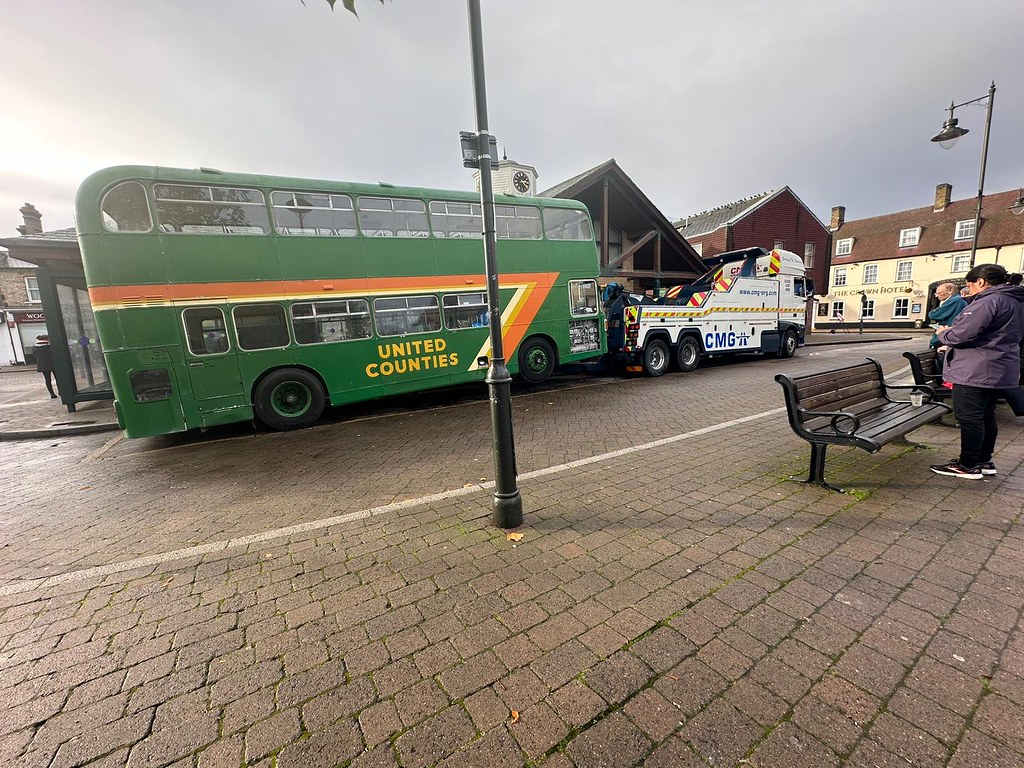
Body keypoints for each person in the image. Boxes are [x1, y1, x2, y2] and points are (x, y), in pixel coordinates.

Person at [931, 264, 1024, 479]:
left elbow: (962, 335)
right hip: (999, 366)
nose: (969, 290)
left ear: (980, 282)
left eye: (970, 285)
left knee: (969, 417)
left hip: (976, 369)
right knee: (986, 415)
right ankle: (984, 460)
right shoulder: (1016, 301)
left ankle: (968, 465)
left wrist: (945, 333)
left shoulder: (988, 301)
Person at [927, 282, 967, 348]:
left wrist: (932, 312)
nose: (937, 296)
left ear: (950, 291)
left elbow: (934, 315)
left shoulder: (955, 300)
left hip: (946, 337)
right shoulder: (959, 300)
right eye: (936, 293)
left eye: (939, 293)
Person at [32, 334, 58, 399]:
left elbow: (34, 356)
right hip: (53, 364)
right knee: (58, 379)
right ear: (47, 339)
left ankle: (52, 394)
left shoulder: (35, 347)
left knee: (47, 380)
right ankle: (60, 391)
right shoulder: (50, 346)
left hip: (42, 365)